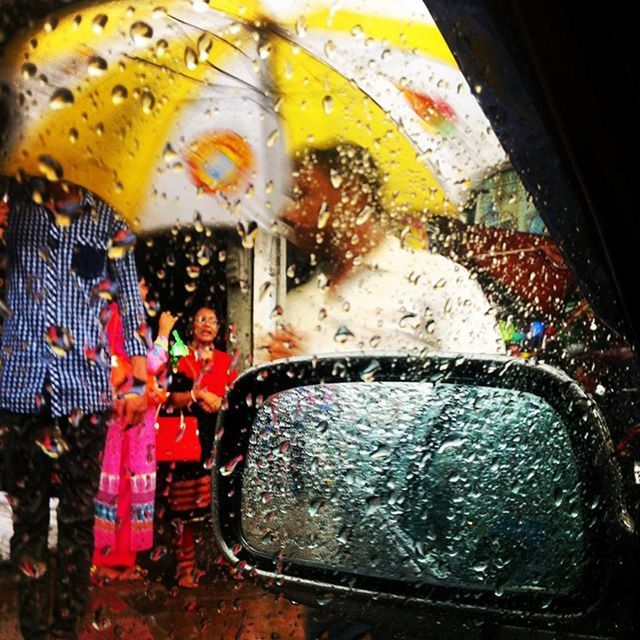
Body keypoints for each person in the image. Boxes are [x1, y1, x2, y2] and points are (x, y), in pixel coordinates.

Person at [0, 176, 146, 640]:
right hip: (20, 386)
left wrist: (140, 379)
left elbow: (131, 297)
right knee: (28, 520)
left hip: (84, 389)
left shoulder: (108, 217)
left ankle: (66, 630)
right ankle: (32, 632)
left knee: (79, 519)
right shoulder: (16, 206)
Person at [260, 143, 505, 361]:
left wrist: (319, 373)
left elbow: (482, 392)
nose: (287, 213)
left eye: (302, 194)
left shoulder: (437, 279)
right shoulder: (294, 304)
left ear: (353, 196)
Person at [92, 297, 177, 583]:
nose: (142, 288)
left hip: (135, 423)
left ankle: (122, 561)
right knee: (116, 488)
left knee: (128, 488)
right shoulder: (116, 316)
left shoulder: (125, 317)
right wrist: (164, 334)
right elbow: (148, 365)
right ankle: (105, 560)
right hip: (121, 419)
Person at [161, 306, 237, 588]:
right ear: (192, 326)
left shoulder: (226, 361)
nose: (207, 325)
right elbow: (167, 399)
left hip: (218, 440)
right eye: (201, 320)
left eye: (213, 321)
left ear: (219, 329)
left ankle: (229, 562)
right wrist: (195, 395)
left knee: (221, 507)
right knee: (184, 509)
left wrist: (220, 403)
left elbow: (236, 400)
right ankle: (185, 569)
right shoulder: (180, 358)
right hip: (186, 442)